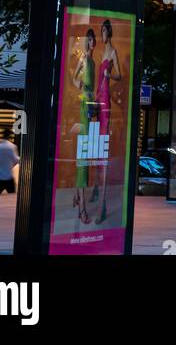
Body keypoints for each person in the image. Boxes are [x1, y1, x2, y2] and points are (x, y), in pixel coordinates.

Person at [95, 17, 122, 225]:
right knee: (96, 147)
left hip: (105, 101)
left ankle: (102, 201)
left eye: (104, 31)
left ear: (109, 32)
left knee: (102, 147)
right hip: (96, 99)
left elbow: (119, 76)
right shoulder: (100, 52)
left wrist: (108, 74)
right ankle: (96, 190)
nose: (102, 34)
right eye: (101, 31)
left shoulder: (112, 52)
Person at [72, 27, 97, 222]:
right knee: (83, 153)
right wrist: (81, 87)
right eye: (89, 40)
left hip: (90, 105)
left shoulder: (93, 62)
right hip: (84, 105)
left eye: (93, 40)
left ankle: (77, 195)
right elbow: (74, 79)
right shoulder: (83, 59)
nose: (91, 43)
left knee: (86, 153)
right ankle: (82, 207)